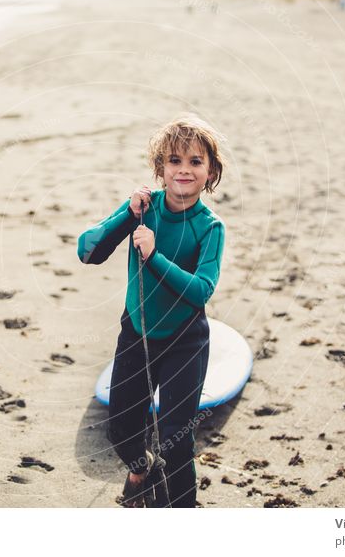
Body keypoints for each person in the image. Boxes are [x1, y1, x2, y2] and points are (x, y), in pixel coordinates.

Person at [77, 114, 227, 508]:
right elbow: (87, 251)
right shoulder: (144, 210)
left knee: (177, 439)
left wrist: (154, 256)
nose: (184, 169)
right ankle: (140, 470)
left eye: (196, 161)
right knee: (122, 431)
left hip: (186, 341)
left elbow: (201, 291)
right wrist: (126, 214)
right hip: (137, 333)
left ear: (210, 171)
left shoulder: (211, 227)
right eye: (175, 160)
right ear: (160, 168)